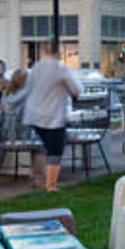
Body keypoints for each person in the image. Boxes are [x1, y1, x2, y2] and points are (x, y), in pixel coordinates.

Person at [23, 47, 81, 192]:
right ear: (58, 54)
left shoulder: (35, 68)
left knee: (43, 147)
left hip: (33, 114)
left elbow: (28, 88)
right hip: (52, 116)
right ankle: (51, 185)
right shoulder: (60, 69)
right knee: (55, 149)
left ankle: (38, 177)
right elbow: (77, 89)